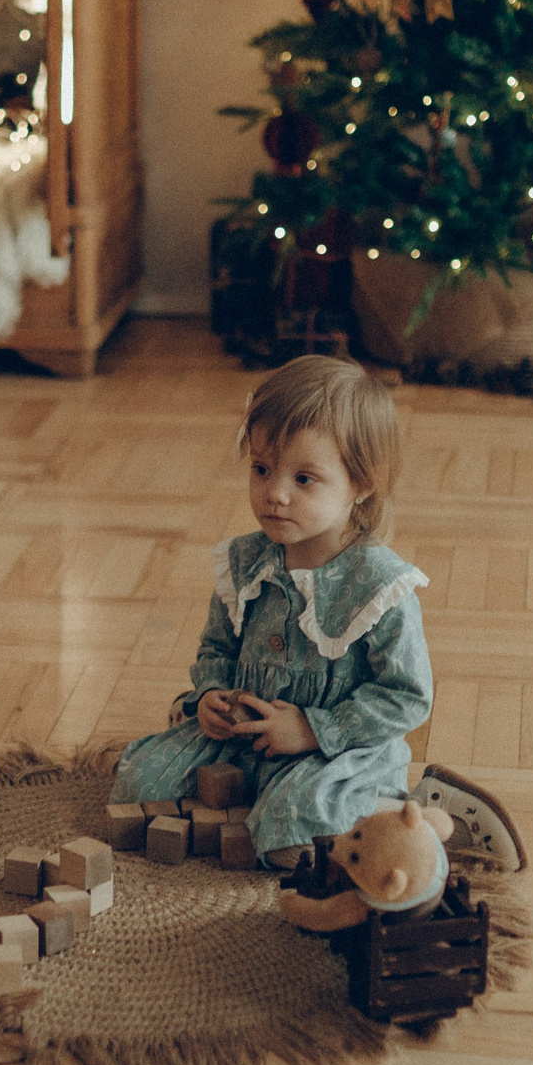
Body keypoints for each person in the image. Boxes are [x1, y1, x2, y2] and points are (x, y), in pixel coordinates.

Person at [112, 355, 432, 864]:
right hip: (242, 738)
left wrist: (312, 729)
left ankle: (414, 817)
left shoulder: (379, 587)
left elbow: (407, 697)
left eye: (304, 479)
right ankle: (248, 793)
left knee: (292, 837)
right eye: (261, 469)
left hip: (334, 748)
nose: (275, 494)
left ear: (361, 484)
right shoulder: (244, 562)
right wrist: (212, 694)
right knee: (137, 785)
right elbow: (217, 647)